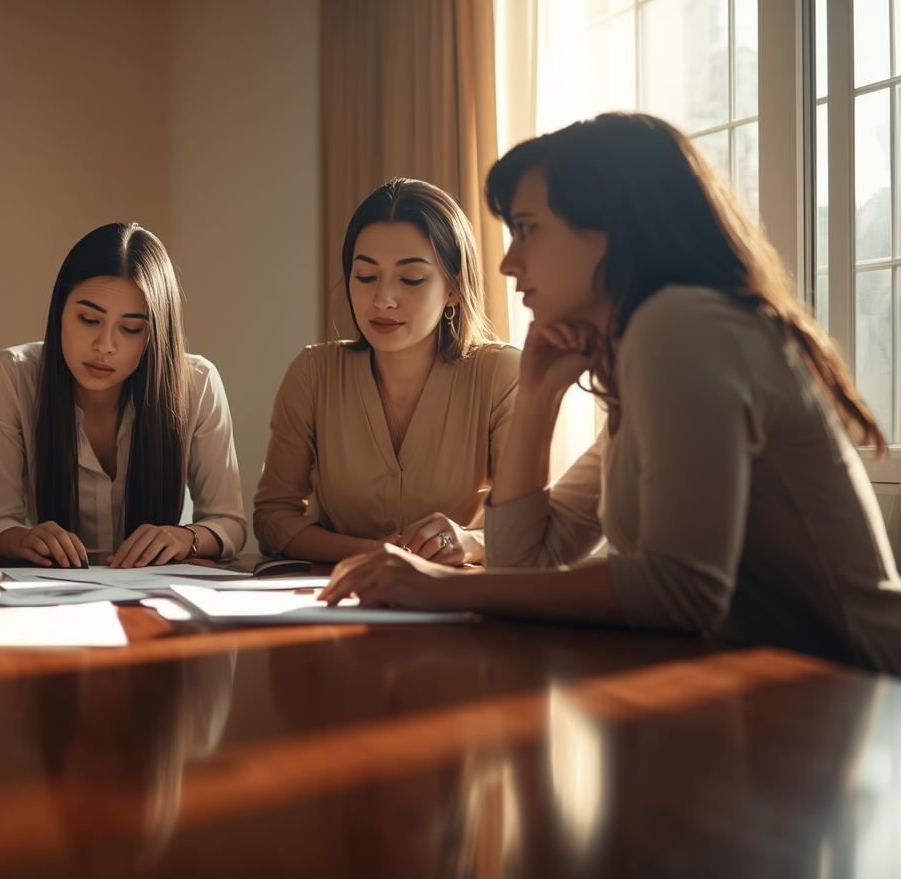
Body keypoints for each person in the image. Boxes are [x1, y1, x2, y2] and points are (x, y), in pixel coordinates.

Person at [321, 112, 901, 674]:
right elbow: (525, 563)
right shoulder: (648, 350)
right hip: (779, 695)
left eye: (527, 229)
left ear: (611, 228)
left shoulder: (681, 326)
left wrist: (441, 587)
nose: (507, 262)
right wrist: (538, 396)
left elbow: (683, 591)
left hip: (860, 692)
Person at [254, 179, 518, 565]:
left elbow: (531, 529)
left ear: (454, 290)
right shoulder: (313, 374)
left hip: (458, 601)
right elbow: (273, 518)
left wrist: (473, 543)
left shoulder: (501, 375)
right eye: (365, 277)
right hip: (334, 600)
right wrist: (372, 553)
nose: (382, 300)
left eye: (410, 279)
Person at [0, 222, 246, 568]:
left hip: (156, 596)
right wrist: (24, 538)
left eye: (131, 329)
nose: (105, 346)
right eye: (88, 319)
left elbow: (230, 523)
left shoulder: (197, 382)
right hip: (54, 600)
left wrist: (185, 537)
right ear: (59, 313)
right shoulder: (13, 375)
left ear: (155, 335)